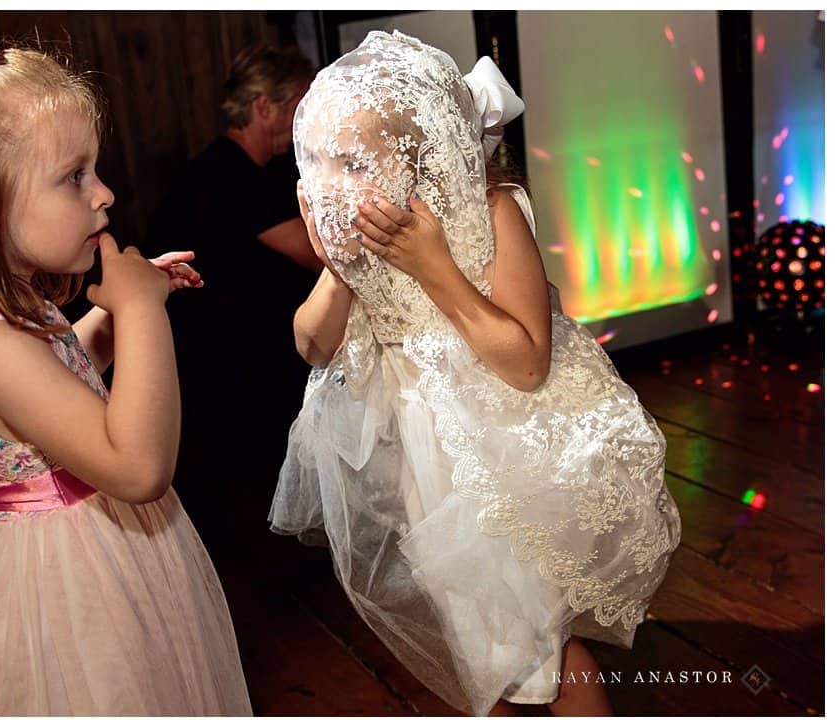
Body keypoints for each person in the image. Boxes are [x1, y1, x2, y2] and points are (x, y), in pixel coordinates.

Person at [269, 31, 682, 717]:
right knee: (480, 639)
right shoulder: (360, 238)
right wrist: (340, 269)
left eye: (350, 162)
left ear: (418, 160)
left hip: (502, 446)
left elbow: (525, 362)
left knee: (540, 637)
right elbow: (311, 345)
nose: (329, 183)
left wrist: (435, 267)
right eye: (318, 163)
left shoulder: (491, 215)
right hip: (425, 461)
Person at [0, 27, 252, 716]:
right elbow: (135, 467)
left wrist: (103, 324)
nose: (103, 194)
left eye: (94, 169)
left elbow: (53, 383)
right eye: (73, 176)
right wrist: (138, 312)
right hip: (59, 585)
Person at [145, 44, 320, 449]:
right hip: (219, 368)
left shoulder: (249, 167)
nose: (308, 120)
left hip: (233, 356)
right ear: (264, 107)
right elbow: (316, 256)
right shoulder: (231, 173)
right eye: (301, 105)